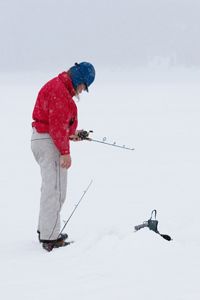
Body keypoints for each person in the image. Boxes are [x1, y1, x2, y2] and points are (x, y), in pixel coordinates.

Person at [31, 62, 95, 252]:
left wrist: (73, 133)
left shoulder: (59, 87)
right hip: (48, 142)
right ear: (78, 79)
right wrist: (65, 152)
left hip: (44, 138)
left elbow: (57, 123)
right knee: (56, 190)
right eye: (84, 86)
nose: (82, 91)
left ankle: (46, 229)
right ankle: (50, 238)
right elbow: (57, 126)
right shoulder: (59, 91)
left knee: (50, 188)